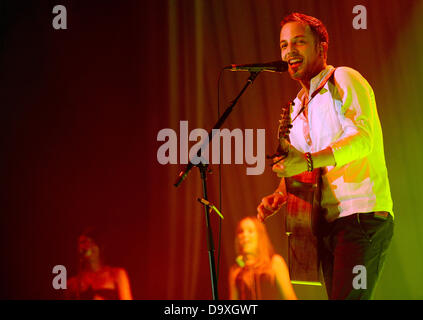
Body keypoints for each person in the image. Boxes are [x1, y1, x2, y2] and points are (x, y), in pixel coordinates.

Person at [257, 13, 394, 300]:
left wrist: (307, 160)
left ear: (321, 47)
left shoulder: (342, 78)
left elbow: (362, 140)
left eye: (299, 42)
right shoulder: (296, 107)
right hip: (328, 224)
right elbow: (303, 171)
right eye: (283, 45)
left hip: (361, 215)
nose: (289, 52)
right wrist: (280, 194)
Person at [228, 216, 297, 300]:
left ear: (260, 236)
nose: (244, 235)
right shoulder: (235, 271)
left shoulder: (275, 262)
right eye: (241, 231)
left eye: (250, 231)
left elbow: (290, 297)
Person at [66, 229, 133, 300]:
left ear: (100, 246)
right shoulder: (73, 283)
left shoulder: (117, 274)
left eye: (92, 242)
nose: (87, 246)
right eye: (83, 242)